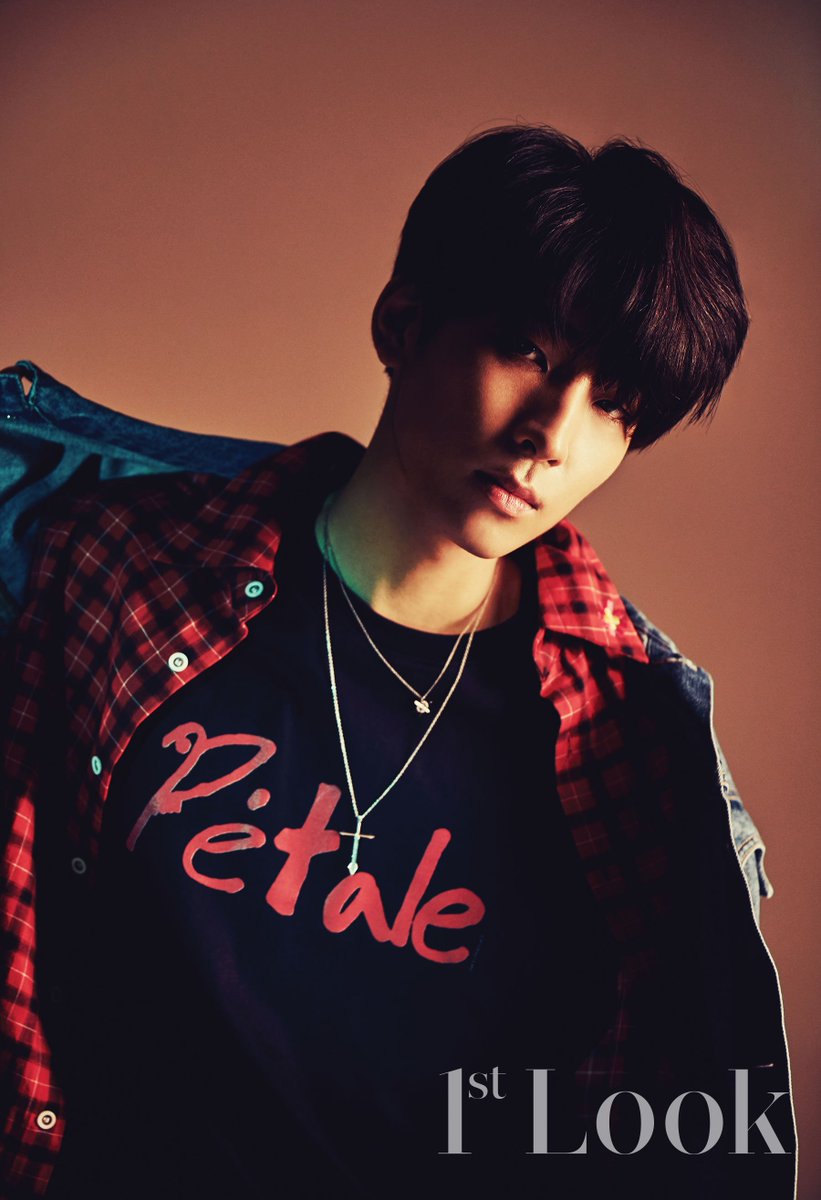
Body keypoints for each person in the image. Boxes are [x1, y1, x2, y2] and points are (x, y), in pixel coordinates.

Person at [1, 125, 796, 1199]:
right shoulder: (121, 567)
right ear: (403, 324)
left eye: (614, 403)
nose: (553, 434)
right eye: (528, 352)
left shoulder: (630, 739)